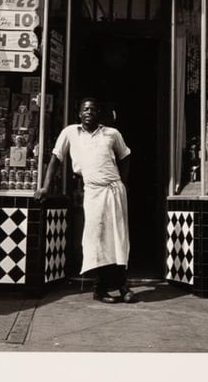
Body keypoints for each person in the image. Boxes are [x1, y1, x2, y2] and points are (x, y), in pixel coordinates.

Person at [36, 97, 137, 304]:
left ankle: (122, 286)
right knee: (96, 239)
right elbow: (56, 159)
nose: (89, 111)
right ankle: (99, 288)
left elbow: (125, 156)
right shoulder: (70, 132)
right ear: (79, 114)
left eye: (92, 109)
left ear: (98, 113)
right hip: (92, 192)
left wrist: (123, 183)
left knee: (118, 238)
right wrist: (45, 187)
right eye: (85, 109)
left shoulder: (112, 133)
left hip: (114, 190)